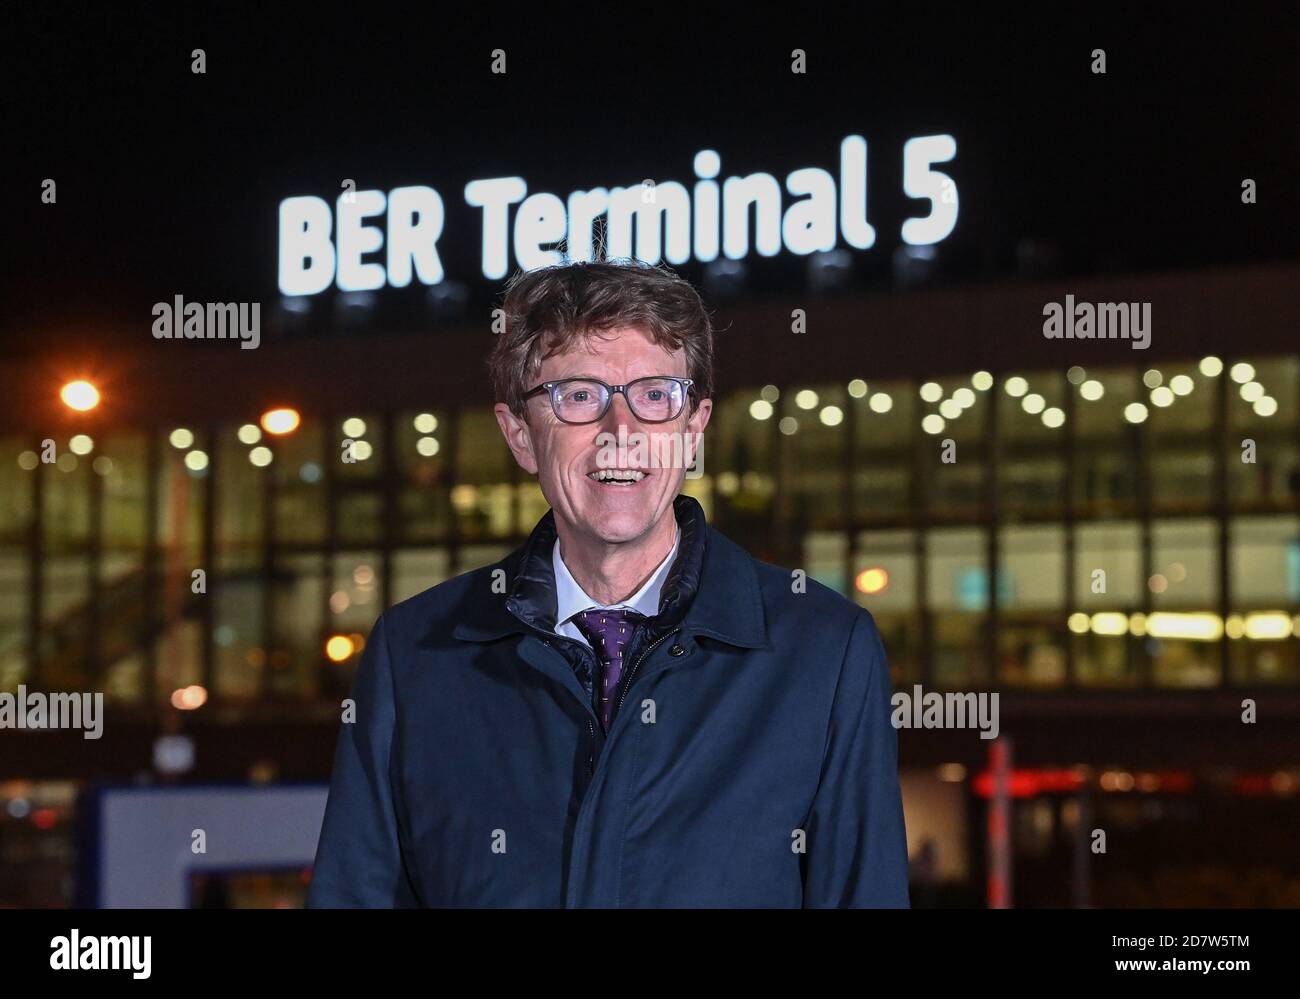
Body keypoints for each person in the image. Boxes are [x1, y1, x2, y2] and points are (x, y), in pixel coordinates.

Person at [306, 259, 909, 907]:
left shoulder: (822, 654)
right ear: (520, 435)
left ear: (693, 429)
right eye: (580, 395)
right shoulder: (415, 656)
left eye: (654, 396)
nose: (621, 434)